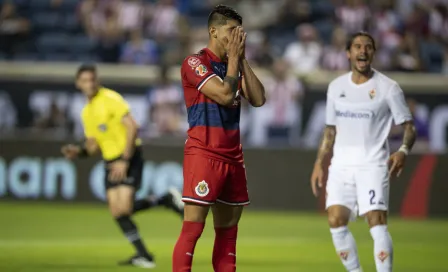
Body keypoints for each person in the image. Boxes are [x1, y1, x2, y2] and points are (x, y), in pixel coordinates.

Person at [310, 31, 416, 272]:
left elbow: (409, 127)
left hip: (373, 164)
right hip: (341, 166)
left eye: (368, 47)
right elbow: (329, 130)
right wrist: (319, 163)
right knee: (336, 220)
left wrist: (403, 150)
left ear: (373, 53)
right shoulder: (336, 87)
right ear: (348, 53)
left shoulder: (388, 88)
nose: (363, 51)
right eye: (357, 46)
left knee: (376, 222)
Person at [61, 64, 184, 269]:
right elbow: (93, 146)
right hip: (111, 161)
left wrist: (125, 160)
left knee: (124, 207)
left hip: (129, 156)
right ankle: (145, 253)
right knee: (117, 212)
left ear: (97, 80)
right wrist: (79, 152)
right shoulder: (87, 112)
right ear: (78, 84)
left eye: (92, 79)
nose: (89, 83)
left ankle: (166, 200)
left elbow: (132, 127)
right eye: (85, 80)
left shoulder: (110, 98)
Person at [172, 5, 266, 272]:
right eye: (231, 31)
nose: (237, 36)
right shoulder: (194, 63)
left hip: (233, 158)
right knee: (193, 230)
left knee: (228, 236)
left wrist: (241, 58)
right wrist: (234, 60)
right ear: (213, 31)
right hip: (204, 154)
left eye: (240, 31)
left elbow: (258, 99)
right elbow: (226, 95)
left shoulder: (234, 63)